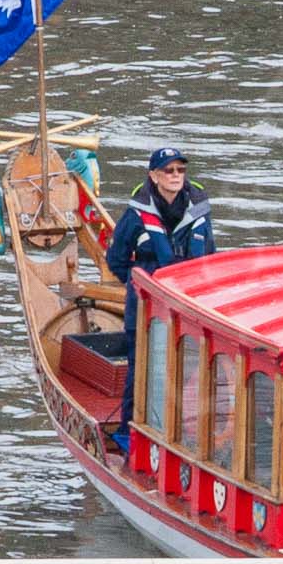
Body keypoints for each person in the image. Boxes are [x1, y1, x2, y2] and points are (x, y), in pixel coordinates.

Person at [107, 146, 216, 451]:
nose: (176, 176)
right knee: (141, 370)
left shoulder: (199, 209)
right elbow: (116, 260)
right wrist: (138, 287)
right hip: (145, 310)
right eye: (169, 171)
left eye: (180, 170)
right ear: (154, 176)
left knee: (188, 371)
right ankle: (130, 433)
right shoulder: (135, 215)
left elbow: (209, 255)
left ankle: (178, 433)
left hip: (188, 306)